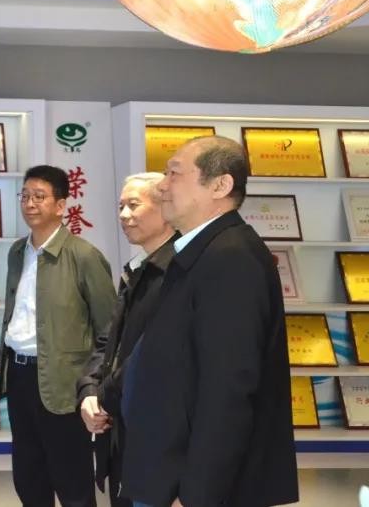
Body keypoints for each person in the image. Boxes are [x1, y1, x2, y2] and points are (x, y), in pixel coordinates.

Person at [121, 136, 298, 507]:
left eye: (174, 173)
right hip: (162, 472)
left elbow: (227, 391)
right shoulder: (199, 252)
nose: (162, 186)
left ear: (220, 185)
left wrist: (196, 495)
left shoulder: (231, 259)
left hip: (188, 487)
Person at [0, 165, 117, 507]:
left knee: (71, 479)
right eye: (25, 196)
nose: (29, 204)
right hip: (20, 375)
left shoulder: (84, 256)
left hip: (64, 382)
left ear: (61, 205)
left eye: (39, 196)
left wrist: (96, 388)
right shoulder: (17, 252)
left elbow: (109, 328)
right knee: (29, 475)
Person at [76, 173, 177, 507]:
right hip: (121, 423)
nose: (123, 215)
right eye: (120, 206)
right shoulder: (136, 268)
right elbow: (110, 341)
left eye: (134, 205)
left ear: (166, 207)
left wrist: (104, 395)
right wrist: (89, 391)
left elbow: (152, 353)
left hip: (156, 430)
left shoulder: (180, 271)